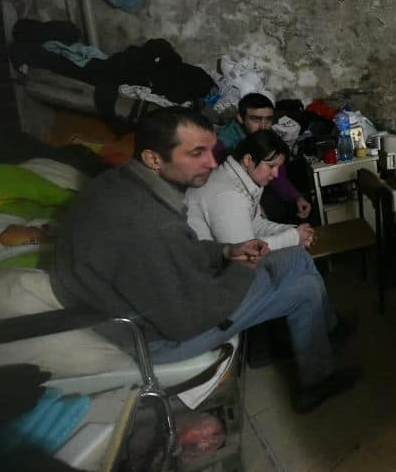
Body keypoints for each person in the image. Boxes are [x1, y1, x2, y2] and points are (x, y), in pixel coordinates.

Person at [50, 107, 362, 414]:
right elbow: (186, 321)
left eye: (211, 151)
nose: (212, 162)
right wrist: (240, 267)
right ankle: (315, 382)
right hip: (151, 338)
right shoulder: (152, 224)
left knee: (294, 257)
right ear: (153, 158)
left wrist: (225, 252)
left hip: (150, 305)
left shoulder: (120, 183)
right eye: (197, 153)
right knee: (303, 289)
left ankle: (325, 329)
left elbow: (184, 251)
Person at [187, 130, 315, 251]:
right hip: (204, 265)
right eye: (271, 166)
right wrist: (293, 237)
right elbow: (244, 251)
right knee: (297, 257)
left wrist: (292, 231)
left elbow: (254, 224)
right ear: (248, 160)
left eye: (278, 167)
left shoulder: (241, 180)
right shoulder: (228, 195)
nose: (276, 174)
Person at [214, 93, 312, 223]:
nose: (263, 126)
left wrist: (296, 197)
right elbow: (218, 186)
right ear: (240, 118)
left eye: (268, 119)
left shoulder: (265, 136)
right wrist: (254, 206)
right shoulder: (223, 145)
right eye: (256, 119)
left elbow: (277, 174)